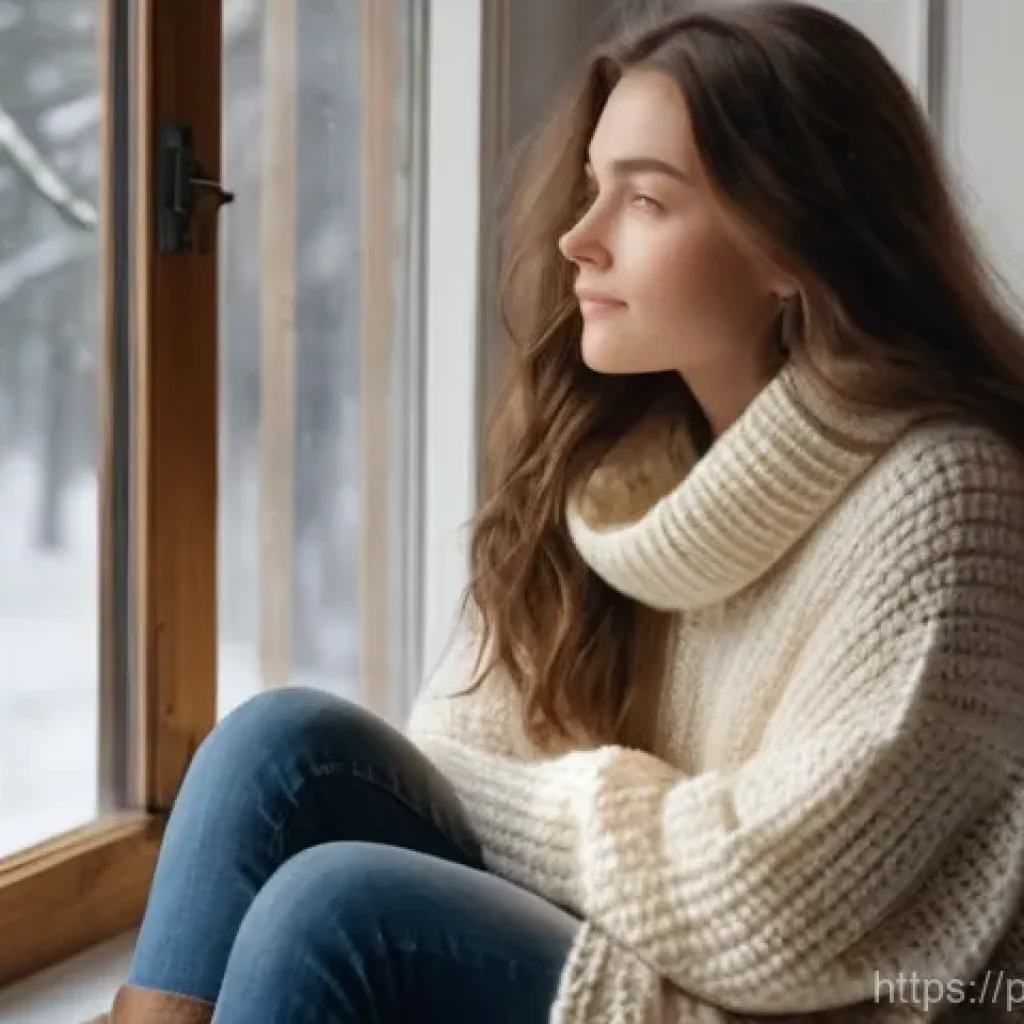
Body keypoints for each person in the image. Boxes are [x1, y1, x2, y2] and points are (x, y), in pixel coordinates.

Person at [97, 2, 1024, 1021]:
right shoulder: (622, 475)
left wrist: (525, 799)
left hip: (803, 1004)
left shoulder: (947, 498)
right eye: (592, 188)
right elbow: (456, 741)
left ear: (788, 248)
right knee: (276, 747)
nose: (579, 239)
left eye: (646, 200)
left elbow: (770, 902)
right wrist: (561, 809)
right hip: (645, 934)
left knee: (334, 907)